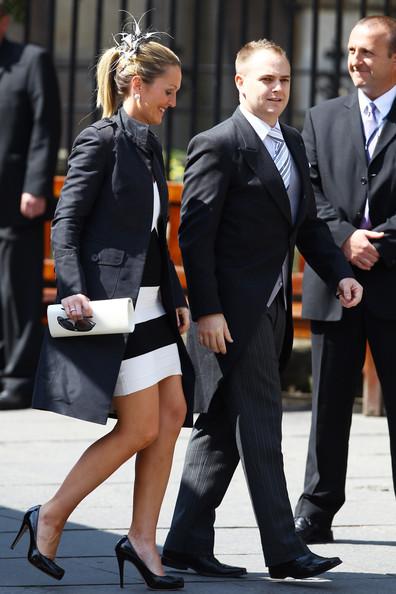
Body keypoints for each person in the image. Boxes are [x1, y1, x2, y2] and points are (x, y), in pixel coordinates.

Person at [161, 39, 363, 580]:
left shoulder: (293, 142)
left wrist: (340, 274)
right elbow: (195, 236)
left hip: (274, 308)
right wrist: (206, 311)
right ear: (240, 83)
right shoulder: (218, 144)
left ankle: (183, 542)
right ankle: (285, 550)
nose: (276, 90)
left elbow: (308, 227)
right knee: (261, 428)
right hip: (231, 314)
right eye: (266, 80)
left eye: (284, 80)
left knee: (223, 427)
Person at [10, 19, 194, 590]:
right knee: (139, 426)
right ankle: (52, 513)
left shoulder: (148, 142)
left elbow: (152, 233)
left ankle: (142, 540)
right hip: (116, 305)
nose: (173, 102)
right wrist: (73, 290)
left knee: (170, 417)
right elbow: (66, 222)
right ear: (137, 84)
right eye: (168, 91)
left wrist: (178, 296)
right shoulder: (102, 140)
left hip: (155, 305)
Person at [294, 15, 396, 544]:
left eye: (368, 52)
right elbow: (307, 193)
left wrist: (380, 242)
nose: (355, 60)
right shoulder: (320, 116)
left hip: (393, 280)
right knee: (328, 404)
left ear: (394, 58)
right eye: (352, 50)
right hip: (334, 281)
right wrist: (345, 241)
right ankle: (316, 508)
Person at [0, 3, 61, 410]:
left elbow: (45, 126)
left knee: (15, 290)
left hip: (15, 200)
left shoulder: (31, 60)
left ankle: (17, 379)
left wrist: (37, 186)